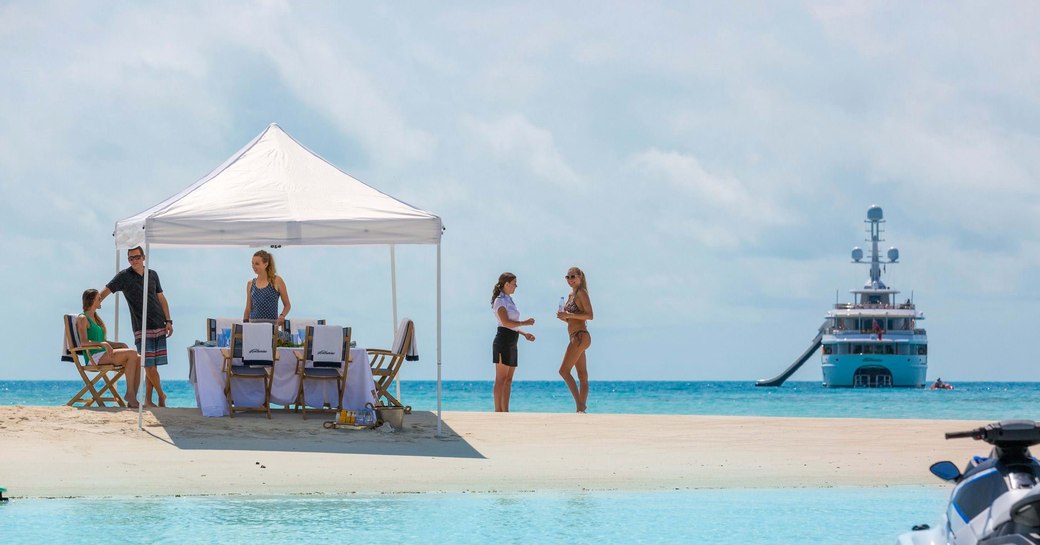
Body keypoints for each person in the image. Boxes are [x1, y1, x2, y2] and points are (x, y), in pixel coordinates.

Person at [97, 246, 171, 407]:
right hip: (140, 327)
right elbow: (105, 291)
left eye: (137, 257)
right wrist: (93, 307)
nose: (134, 260)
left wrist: (169, 320)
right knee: (148, 365)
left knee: (153, 366)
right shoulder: (124, 276)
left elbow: (161, 298)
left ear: (144, 257)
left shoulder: (152, 275)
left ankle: (148, 401)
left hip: (159, 324)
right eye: (131, 258)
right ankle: (161, 394)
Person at [77, 289, 141, 408]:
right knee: (132, 354)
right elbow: (83, 342)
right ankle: (130, 396)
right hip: (94, 357)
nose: (101, 300)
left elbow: (104, 341)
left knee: (138, 357)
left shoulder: (96, 318)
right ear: (91, 300)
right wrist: (103, 344)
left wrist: (119, 344)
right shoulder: (82, 318)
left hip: (103, 354)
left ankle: (131, 395)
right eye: (98, 298)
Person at [491, 272, 535, 412]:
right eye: (514, 283)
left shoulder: (509, 299)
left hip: (512, 340)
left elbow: (511, 325)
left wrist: (523, 334)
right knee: (501, 379)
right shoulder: (500, 300)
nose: (516, 285)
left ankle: (506, 410)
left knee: (508, 380)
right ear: (507, 284)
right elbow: (504, 322)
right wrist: (525, 323)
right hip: (503, 340)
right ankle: (498, 411)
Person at [557, 266, 593, 413]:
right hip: (576, 335)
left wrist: (569, 315)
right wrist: (565, 318)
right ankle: (581, 410)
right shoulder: (571, 296)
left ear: (580, 277)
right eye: (568, 277)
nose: (570, 280)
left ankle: (580, 405)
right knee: (582, 375)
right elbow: (573, 320)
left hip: (580, 336)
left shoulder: (581, 293)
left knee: (564, 371)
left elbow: (590, 315)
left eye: (573, 277)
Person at [243, 250, 291, 329]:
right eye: (252, 263)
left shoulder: (276, 280)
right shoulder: (251, 283)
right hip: (253, 327)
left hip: (271, 327)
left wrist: (282, 316)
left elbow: (287, 305)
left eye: (257, 264)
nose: (253, 266)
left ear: (266, 264)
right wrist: (244, 327)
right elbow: (248, 308)